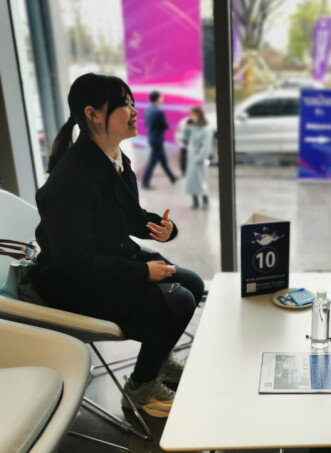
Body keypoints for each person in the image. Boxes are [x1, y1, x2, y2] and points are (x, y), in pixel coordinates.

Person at [32, 73, 205, 418]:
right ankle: (139, 389)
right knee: (178, 301)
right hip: (73, 283)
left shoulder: (114, 158)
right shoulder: (70, 180)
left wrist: (160, 228)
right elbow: (74, 263)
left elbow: (125, 215)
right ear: (93, 114)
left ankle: (158, 359)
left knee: (194, 283)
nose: (135, 111)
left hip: (107, 261)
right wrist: (142, 272)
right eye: (125, 104)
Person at [141, 90, 177, 189]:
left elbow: (146, 123)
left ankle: (172, 177)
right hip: (157, 140)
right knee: (152, 162)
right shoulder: (158, 111)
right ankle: (145, 182)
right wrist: (167, 126)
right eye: (161, 97)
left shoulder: (147, 110)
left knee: (163, 160)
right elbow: (164, 125)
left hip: (152, 137)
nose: (162, 99)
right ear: (157, 98)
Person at [184, 106, 211, 209]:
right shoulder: (192, 127)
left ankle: (205, 201)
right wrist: (186, 128)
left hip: (199, 159)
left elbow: (206, 146)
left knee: (200, 181)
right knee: (191, 181)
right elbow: (186, 139)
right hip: (191, 158)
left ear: (199, 115)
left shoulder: (205, 129)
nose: (192, 117)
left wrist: (199, 158)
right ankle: (195, 201)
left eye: (193, 115)